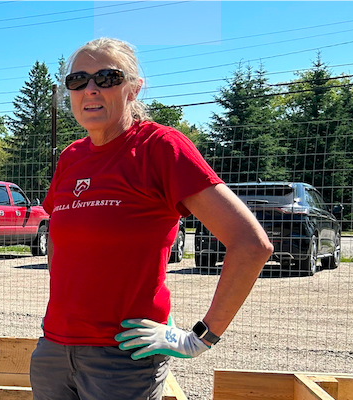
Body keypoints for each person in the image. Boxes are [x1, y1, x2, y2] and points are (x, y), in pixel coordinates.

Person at [30, 38, 274, 400]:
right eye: (78, 80)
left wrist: (200, 338)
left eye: (107, 78)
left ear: (133, 88)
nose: (90, 89)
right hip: (53, 352)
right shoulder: (71, 157)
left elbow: (251, 244)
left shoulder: (160, 148)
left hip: (122, 360)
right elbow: (59, 239)